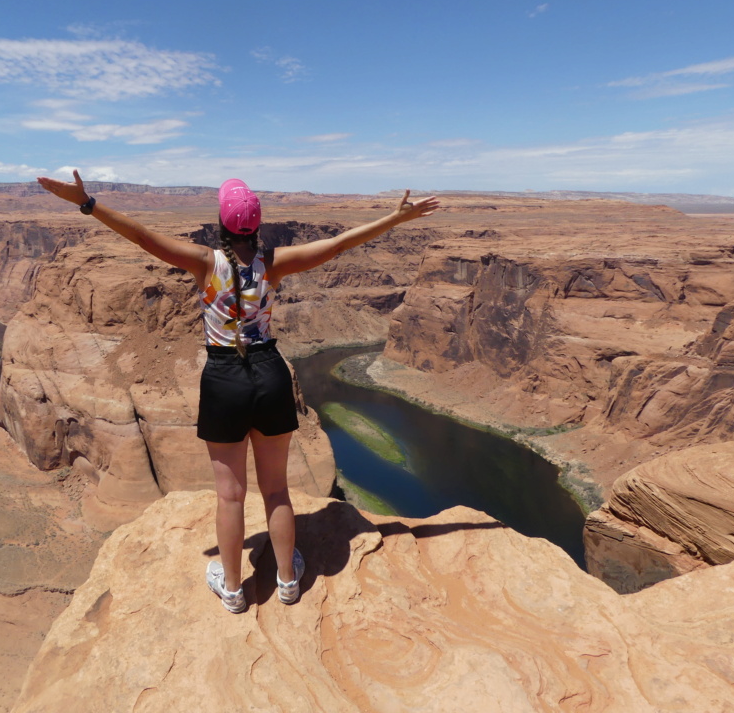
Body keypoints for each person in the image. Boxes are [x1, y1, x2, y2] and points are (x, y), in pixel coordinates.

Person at [36, 171, 439, 613]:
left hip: (224, 378)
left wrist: (88, 202)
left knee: (229, 495)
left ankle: (232, 589)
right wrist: (395, 219)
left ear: (221, 224)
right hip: (269, 374)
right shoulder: (275, 262)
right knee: (277, 492)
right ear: (258, 225)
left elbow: (143, 238)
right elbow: (339, 245)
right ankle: (288, 580)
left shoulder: (205, 262)